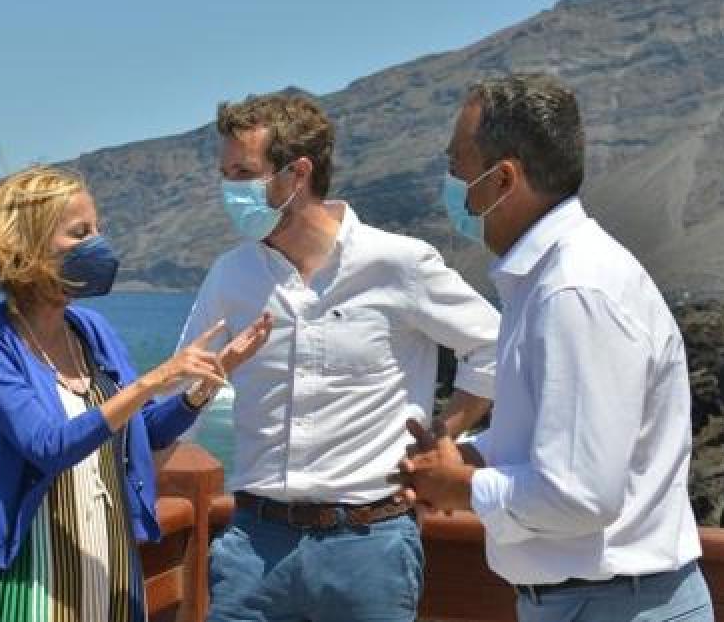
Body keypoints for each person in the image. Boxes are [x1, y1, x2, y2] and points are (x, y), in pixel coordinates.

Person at [398, 73, 714, 621]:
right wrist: (473, 456)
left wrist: (463, 487)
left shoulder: (574, 291)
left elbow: (580, 495)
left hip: (617, 605)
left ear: (503, 180)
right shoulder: (548, 280)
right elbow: (557, 436)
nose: (449, 183)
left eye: (457, 168)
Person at [176, 92, 501, 622]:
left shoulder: (398, 263)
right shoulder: (230, 275)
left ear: (298, 172)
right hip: (253, 547)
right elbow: (181, 389)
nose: (230, 189)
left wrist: (444, 437)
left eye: (244, 172)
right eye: (225, 173)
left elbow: (494, 345)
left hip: (369, 548)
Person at [0, 165, 271, 622]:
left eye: (98, 229)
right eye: (80, 232)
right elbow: (47, 447)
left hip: (111, 568)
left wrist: (202, 389)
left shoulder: (91, 330)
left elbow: (143, 429)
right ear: (28, 245)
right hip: (35, 576)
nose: (97, 243)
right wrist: (154, 379)